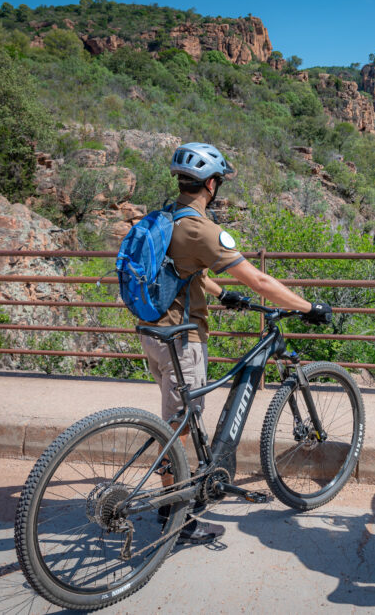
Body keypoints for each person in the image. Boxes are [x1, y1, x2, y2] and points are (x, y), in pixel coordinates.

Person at [138, 141, 332, 545]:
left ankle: (171, 499)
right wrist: (308, 305)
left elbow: (182, 268)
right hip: (181, 336)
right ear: (210, 183)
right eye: (219, 182)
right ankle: (175, 518)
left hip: (151, 332)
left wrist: (219, 292)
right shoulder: (201, 228)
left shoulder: (166, 216)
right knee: (181, 426)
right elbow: (259, 281)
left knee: (178, 418)